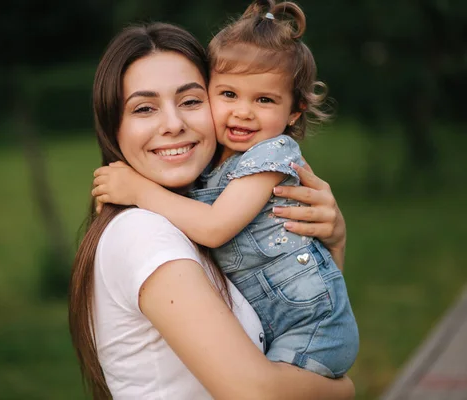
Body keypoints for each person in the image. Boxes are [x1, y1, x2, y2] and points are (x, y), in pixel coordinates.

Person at [70, 20, 354, 400]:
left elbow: (293, 307)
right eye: (144, 108)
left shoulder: (193, 211)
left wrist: (332, 242)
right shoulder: (142, 233)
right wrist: (342, 391)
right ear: (112, 125)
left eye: (190, 101)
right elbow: (259, 393)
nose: (173, 124)